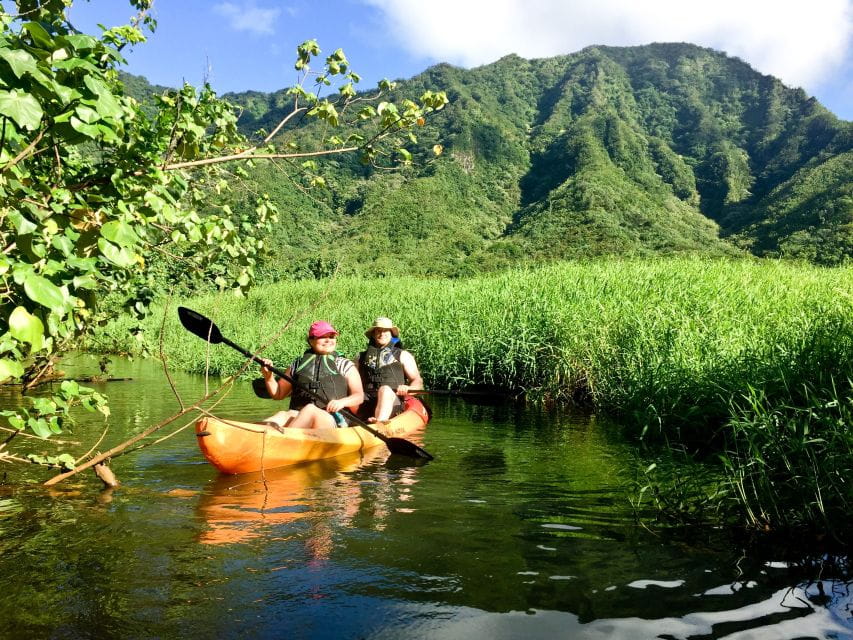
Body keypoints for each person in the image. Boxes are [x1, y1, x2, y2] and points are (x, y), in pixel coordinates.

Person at [259, 321, 364, 430]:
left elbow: (359, 396)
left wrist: (342, 402)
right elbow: (278, 394)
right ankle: (256, 433)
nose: (328, 340)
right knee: (283, 414)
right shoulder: (298, 364)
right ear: (311, 341)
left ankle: (284, 439)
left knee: (310, 410)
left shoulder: (344, 364)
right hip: (300, 416)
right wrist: (268, 377)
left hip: (332, 420)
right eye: (323, 337)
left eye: (332, 337)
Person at [357, 316, 423, 423]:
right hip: (367, 400)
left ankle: (379, 422)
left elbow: (417, 380)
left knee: (385, 390)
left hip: (392, 400)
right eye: (379, 331)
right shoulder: (360, 357)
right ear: (373, 334)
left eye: (385, 331)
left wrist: (409, 388)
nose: (382, 334)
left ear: (391, 333)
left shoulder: (403, 355)